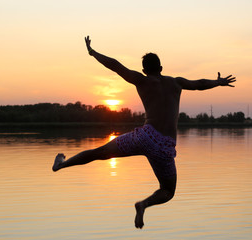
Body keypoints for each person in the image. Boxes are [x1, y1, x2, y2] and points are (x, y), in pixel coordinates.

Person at [52, 36, 236, 229]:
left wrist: (92, 52)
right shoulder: (176, 83)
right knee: (167, 191)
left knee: (99, 153)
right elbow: (199, 84)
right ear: (161, 68)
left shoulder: (141, 80)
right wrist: (218, 82)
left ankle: (61, 165)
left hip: (144, 137)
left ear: (144, 70)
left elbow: (116, 65)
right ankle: (143, 204)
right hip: (164, 147)